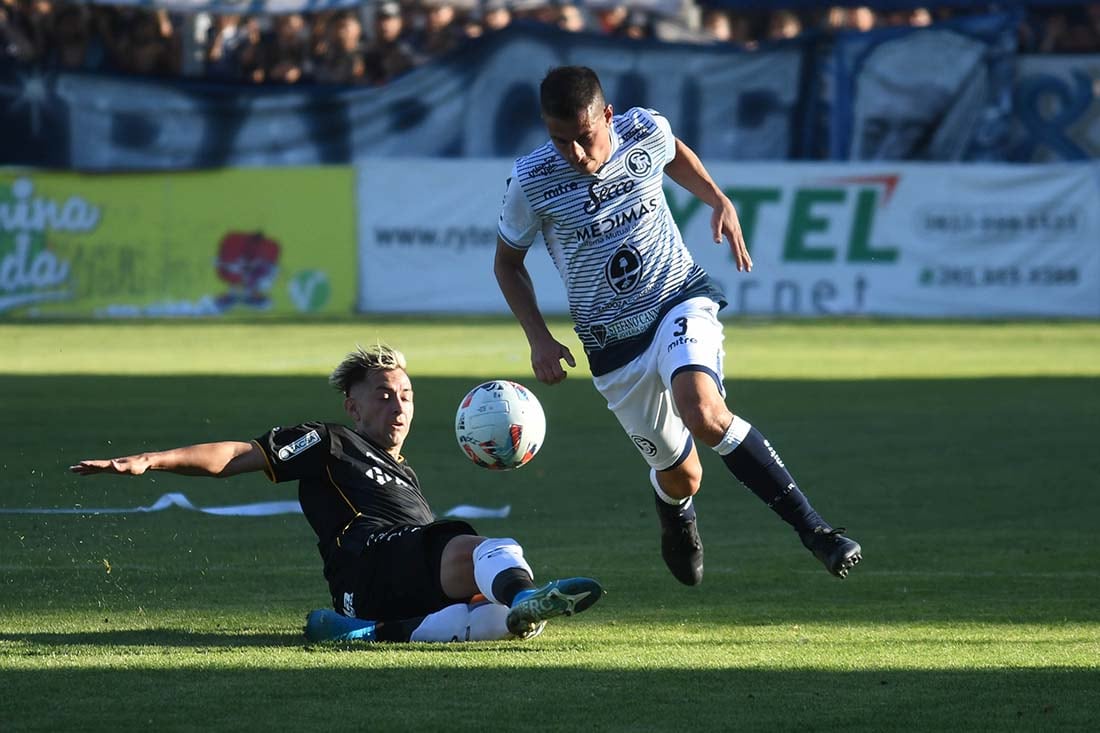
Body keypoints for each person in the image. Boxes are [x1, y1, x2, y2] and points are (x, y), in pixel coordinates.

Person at [493, 66, 862, 588]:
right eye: (560, 141)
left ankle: (816, 531)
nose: (575, 153)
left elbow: (673, 152)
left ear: (608, 116)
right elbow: (507, 263)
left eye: (584, 137)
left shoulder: (644, 130)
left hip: (677, 299)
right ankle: (676, 513)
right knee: (683, 473)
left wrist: (717, 198)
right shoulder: (532, 180)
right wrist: (538, 337)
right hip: (612, 346)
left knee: (705, 413)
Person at [70, 344, 603, 643]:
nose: (399, 408)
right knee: (491, 549)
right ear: (354, 406)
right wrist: (150, 460)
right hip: (372, 560)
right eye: (384, 396)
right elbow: (238, 455)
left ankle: (371, 633)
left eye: (407, 396)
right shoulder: (331, 441)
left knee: (500, 622)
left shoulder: (402, 472)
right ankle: (526, 593)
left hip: (378, 588)